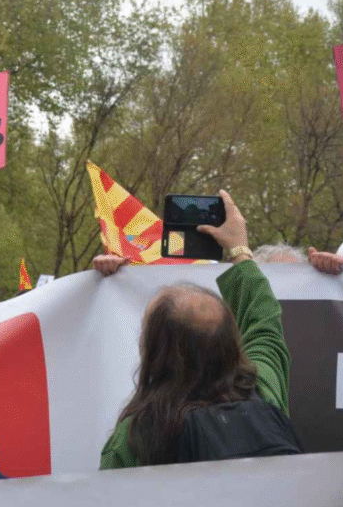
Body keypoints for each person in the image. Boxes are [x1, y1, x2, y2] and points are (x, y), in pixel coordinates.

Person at [97, 190, 298, 468]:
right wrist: (239, 247)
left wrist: (106, 286)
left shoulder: (135, 440)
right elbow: (265, 322)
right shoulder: (263, 392)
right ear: (232, 342)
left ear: (156, 354)